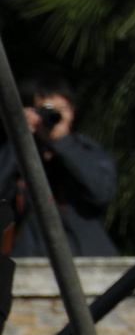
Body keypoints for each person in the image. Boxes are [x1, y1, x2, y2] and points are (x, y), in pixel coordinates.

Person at [0, 75, 117, 256]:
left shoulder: (87, 151)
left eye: (59, 110)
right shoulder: (15, 154)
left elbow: (101, 192)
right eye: (44, 110)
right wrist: (20, 137)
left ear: (71, 113)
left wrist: (62, 142)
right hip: (30, 267)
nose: (51, 117)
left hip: (88, 263)